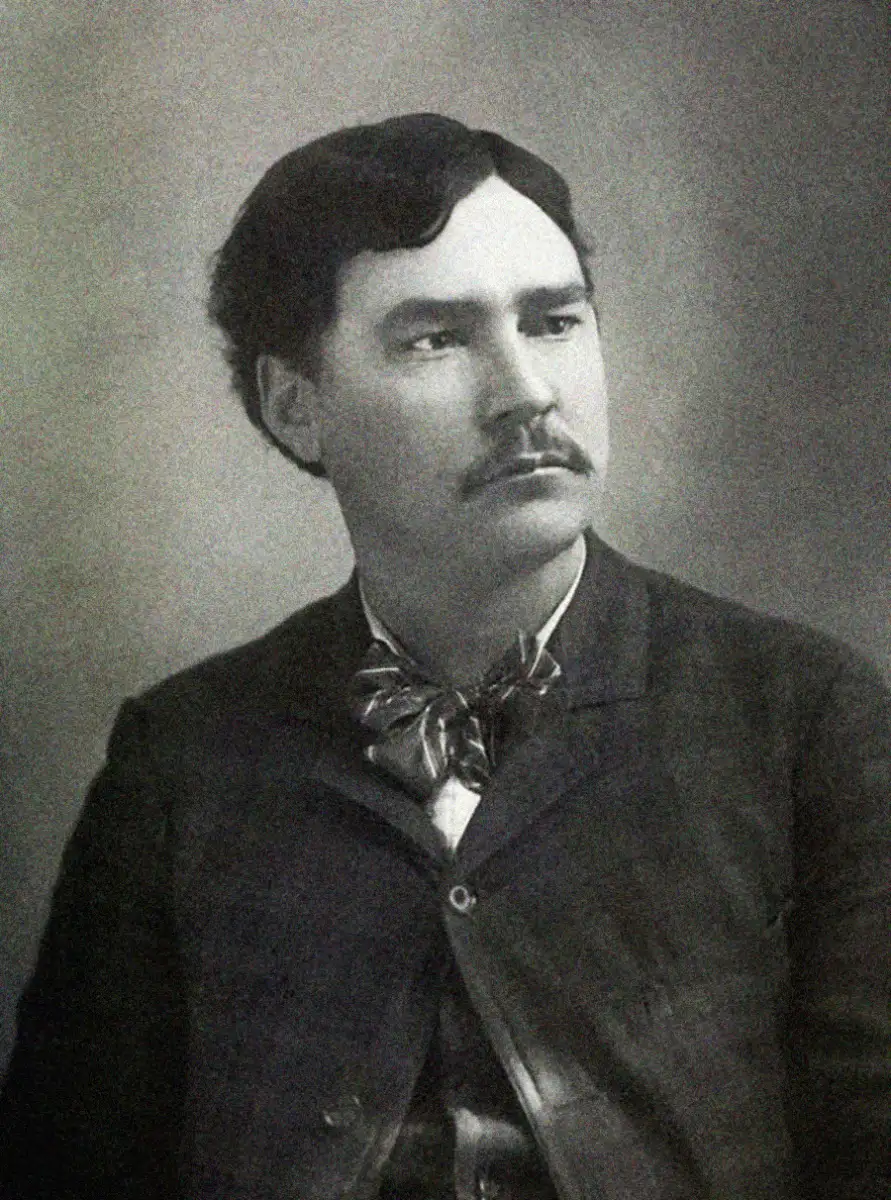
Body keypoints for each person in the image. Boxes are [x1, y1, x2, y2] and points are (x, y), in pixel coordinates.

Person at [0, 113, 888, 1200]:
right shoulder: (180, 760)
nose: (526, 392)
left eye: (553, 322)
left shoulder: (804, 721)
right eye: (435, 339)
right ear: (296, 408)